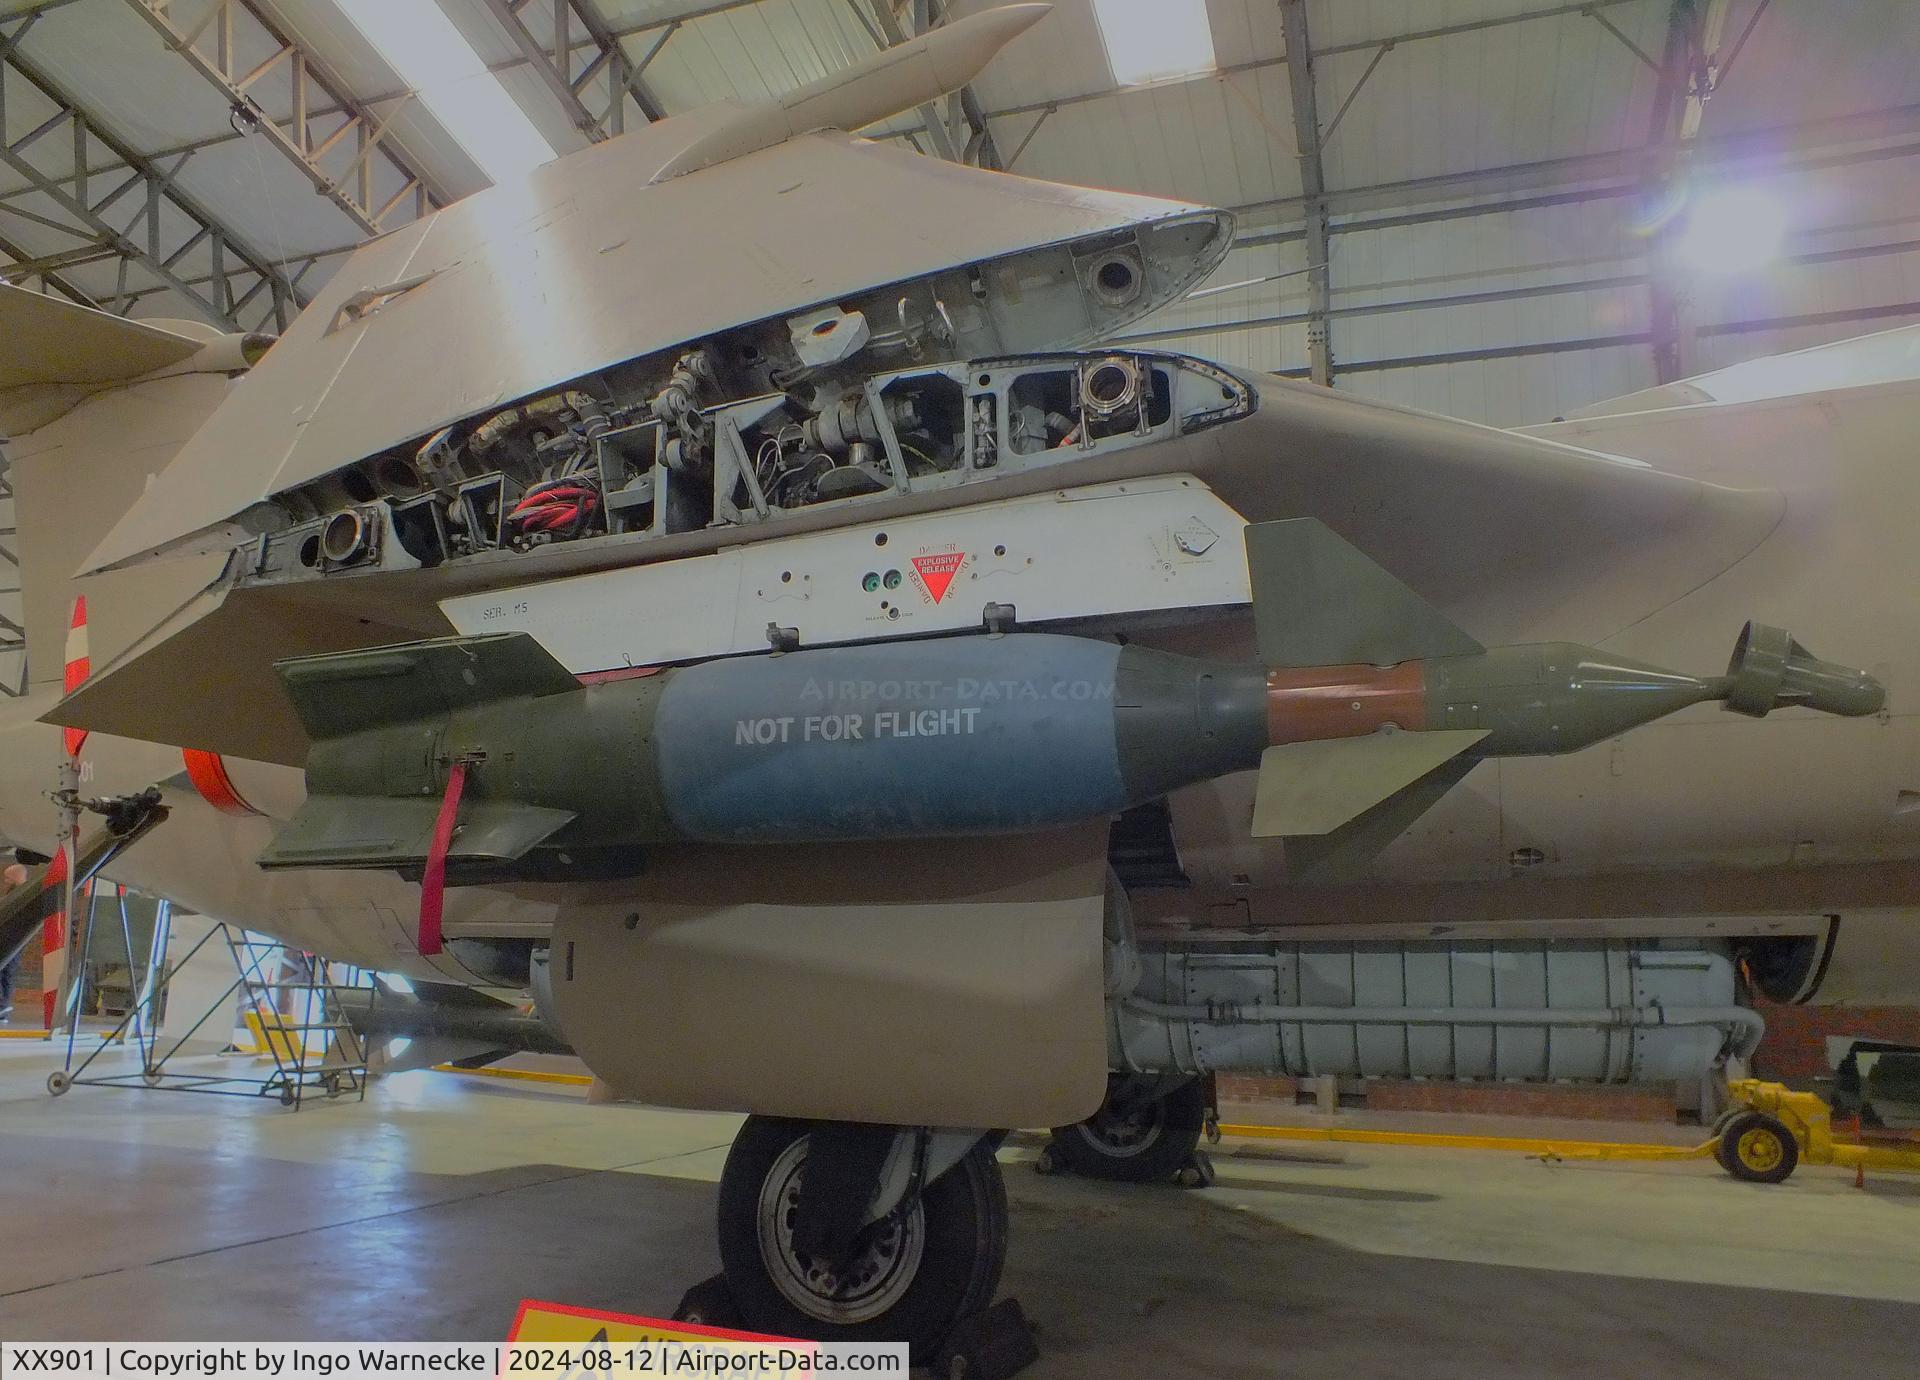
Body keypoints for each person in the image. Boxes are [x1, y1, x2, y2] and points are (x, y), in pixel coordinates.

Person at [0, 856, 28, 1022]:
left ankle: (3, 1006)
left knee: (6, 972)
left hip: (11, 940)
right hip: (13, 940)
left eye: (7, 878)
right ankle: (3, 1008)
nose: (4, 881)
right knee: (7, 973)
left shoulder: (20, 896)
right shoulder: (17, 895)